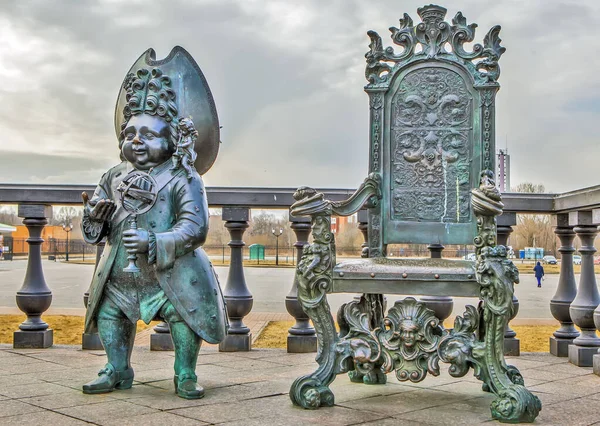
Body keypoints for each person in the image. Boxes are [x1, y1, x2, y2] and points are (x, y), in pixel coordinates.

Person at [81, 54, 226, 400]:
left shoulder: (183, 178)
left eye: (148, 135)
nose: (137, 141)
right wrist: (95, 217)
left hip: (170, 273)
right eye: (130, 134)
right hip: (119, 275)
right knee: (110, 313)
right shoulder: (113, 177)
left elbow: (195, 226)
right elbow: (93, 227)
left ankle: (185, 372)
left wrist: (155, 241)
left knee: (182, 317)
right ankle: (117, 367)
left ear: (171, 140)